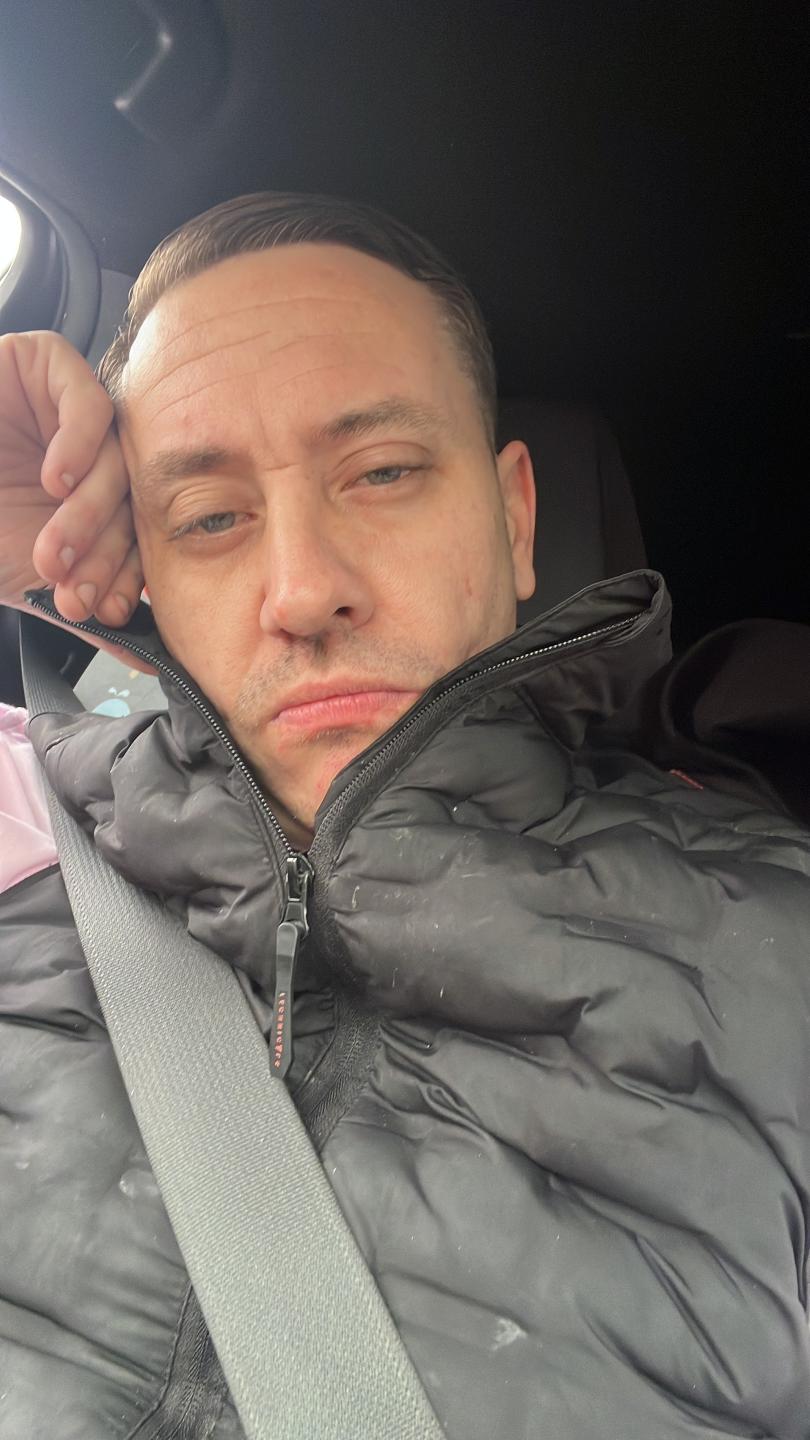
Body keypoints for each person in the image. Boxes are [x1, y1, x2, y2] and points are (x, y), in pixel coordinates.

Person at [1, 191, 809, 1440]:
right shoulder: (28, 812)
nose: (303, 590)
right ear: (143, 569)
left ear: (516, 517)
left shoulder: (780, 947)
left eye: (381, 473)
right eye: (208, 518)